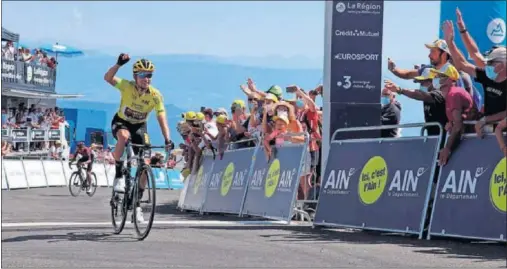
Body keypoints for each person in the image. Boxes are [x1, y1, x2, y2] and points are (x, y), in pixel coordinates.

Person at [104, 53, 174, 222]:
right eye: (142, 75)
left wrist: (167, 139)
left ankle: (136, 205)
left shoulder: (155, 95)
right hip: (121, 122)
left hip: (140, 127)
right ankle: (120, 174)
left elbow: (161, 116)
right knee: (123, 135)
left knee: (145, 163)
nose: (146, 78)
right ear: (135, 76)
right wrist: (118, 64)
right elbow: (108, 78)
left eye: (149, 75)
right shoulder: (126, 86)